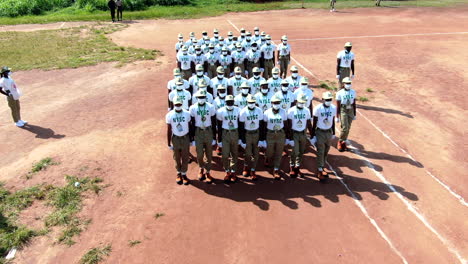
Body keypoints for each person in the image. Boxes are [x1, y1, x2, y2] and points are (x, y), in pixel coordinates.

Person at [189, 89, 217, 183]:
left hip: (208, 130)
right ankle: (201, 168)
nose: (201, 99)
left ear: (206, 98)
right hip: (198, 131)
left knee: (209, 153)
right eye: (200, 97)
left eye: (203, 97)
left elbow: (213, 121)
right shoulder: (193, 108)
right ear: (197, 98)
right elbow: (192, 122)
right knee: (200, 153)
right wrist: (192, 137)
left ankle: (208, 172)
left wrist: (214, 137)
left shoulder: (211, 107)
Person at [311, 92, 337, 182]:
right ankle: (320, 170)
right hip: (320, 132)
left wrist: (334, 132)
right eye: (327, 100)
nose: (328, 101)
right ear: (323, 100)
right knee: (320, 151)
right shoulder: (318, 108)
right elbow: (314, 122)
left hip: (329, 132)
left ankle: (322, 165)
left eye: (330, 100)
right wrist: (312, 135)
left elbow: (332, 120)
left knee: (326, 150)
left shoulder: (333, 108)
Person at [166, 96, 191, 185]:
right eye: (176, 104)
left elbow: (190, 126)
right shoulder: (169, 115)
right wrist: (168, 143)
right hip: (176, 138)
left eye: (179, 104)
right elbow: (169, 129)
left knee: (185, 156)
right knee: (176, 157)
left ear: (182, 104)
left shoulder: (187, 114)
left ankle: (184, 174)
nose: (178, 105)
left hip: (185, 137)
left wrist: (191, 139)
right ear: (173, 104)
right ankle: (178, 173)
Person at [287, 93, 313, 178]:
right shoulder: (291, 110)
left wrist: (313, 135)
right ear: (297, 101)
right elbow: (289, 125)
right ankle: (291, 166)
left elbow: (308, 123)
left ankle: (297, 167)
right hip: (294, 133)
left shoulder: (306, 110)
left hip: (303, 133)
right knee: (295, 151)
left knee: (301, 151)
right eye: (300, 102)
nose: (302, 104)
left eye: (303, 102)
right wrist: (289, 137)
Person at [216, 95, 240, 183]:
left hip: (235, 132)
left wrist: (240, 138)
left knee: (234, 153)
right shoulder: (220, 111)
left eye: (231, 102)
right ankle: (227, 171)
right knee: (225, 155)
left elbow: (240, 124)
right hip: (225, 133)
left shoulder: (238, 110)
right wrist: (219, 140)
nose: (230, 103)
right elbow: (219, 125)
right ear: (225, 102)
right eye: (228, 102)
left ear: (233, 102)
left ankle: (233, 172)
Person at [264, 95, 289, 179]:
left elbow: (285, 124)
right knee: (270, 152)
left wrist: (287, 136)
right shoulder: (267, 112)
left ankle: (276, 169)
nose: (276, 104)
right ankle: (267, 157)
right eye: (275, 103)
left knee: (279, 152)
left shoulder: (283, 112)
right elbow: (264, 125)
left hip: (280, 133)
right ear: (271, 103)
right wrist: (263, 138)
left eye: (278, 103)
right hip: (270, 133)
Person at [239, 95, 263, 180]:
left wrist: (261, 139)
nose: (251, 104)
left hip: (256, 133)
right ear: (247, 103)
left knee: (256, 153)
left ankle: (253, 170)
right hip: (247, 133)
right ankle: (245, 167)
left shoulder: (259, 111)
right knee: (248, 153)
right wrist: (242, 140)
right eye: (250, 103)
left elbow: (261, 125)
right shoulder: (243, 112)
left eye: (253, 103)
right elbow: (241, 126)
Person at [336, 77, 356, 152]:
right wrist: (337, 116)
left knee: (348, 127)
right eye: (347, 83)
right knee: (345, 127)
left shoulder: (353, 92)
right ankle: (340, 141)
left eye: (349, 83)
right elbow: (338, 105)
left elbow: (354, 103)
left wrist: (354, 114)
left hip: (350, 109)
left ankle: (344, 142)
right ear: (343, 84)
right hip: (343, 109)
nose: (348, 84)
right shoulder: (339, 93)